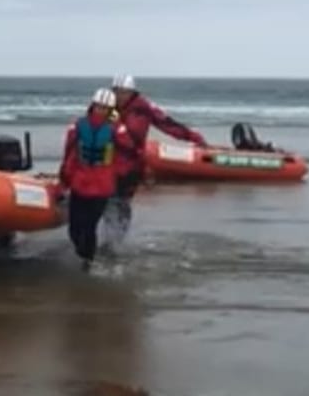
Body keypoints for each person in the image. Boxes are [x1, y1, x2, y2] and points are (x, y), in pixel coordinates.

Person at [106, 74, 207, 250]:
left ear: (131, 92)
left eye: (123, 92)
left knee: (122, 203)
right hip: (108, 163)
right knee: (106, 201)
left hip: (131, 165)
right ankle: (106, 239)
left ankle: (117, 241)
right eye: (116, 92)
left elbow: (166, 123)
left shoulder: (143, 107)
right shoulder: (107, 106)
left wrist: (191, 136)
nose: (119, 96)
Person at [59, 88, 136, 271]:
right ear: (93, 106)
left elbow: (128, 151)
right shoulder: (78, 126)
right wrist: (65, 178)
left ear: (110, 110)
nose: (100, 111)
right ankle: (83, 252)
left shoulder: (117, 129)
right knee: (74, 229)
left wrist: (126, 176)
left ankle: (88, 262)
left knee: (89, 227)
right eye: (98, 107)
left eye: (105, 108)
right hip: (80, 183)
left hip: (102, 186)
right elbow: (69, 154)